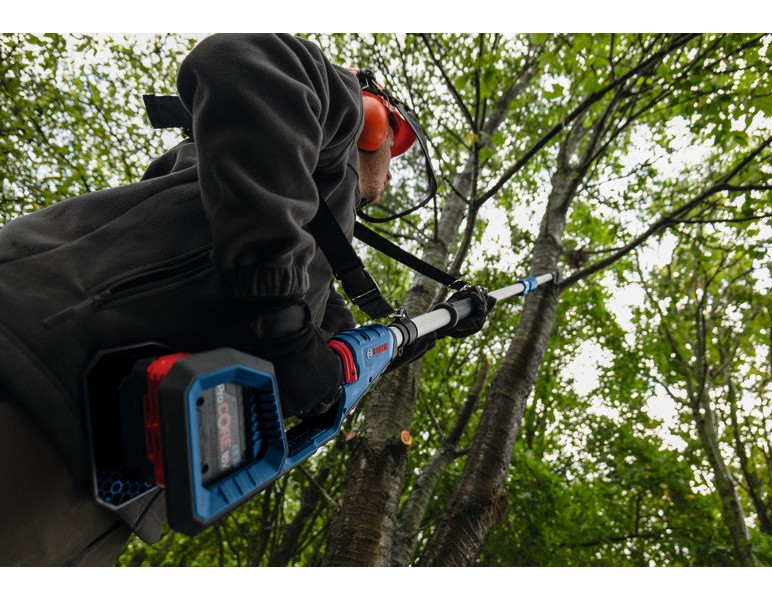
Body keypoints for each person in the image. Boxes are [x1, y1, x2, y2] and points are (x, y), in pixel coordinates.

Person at [0, 33, 493, 566]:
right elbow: (242, 60)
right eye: (393, 149)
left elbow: (324, 355)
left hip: (117, 481)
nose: (391, 173)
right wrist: (280, 320)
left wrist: (400, 343)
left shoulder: (293, 231)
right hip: (47, 377)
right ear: (374, 126)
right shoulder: (331, 128)